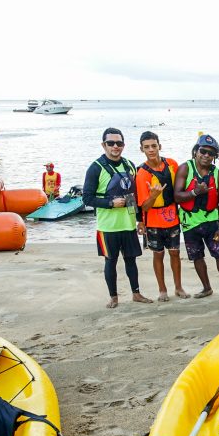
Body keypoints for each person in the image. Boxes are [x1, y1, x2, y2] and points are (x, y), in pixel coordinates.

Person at [82, 127, 153, 308]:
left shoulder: (129, 165)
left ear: (123, 145)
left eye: (119, 143)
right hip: (108, 227)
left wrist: (140, 220)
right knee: (110, 261)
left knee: (131, 260)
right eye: (111, 143)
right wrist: (111, 203)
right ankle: (113, 297)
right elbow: (87, 198)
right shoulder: (96, 168)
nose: (115, 146)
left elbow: (133, 196)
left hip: (128, 224)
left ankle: (136, 293)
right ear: (103, 145)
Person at [173, 134, 219, 299]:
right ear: (196, 151)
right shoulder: (185, 168)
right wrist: (195, 192)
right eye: (203, 151)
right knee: (197, 256)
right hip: (190, 222)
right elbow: (177, 196)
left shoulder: (218, 174)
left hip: (211, 221)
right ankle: (207, 288)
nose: (206, 155)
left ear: (214, 157)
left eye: (211, 153)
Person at [136, 131, 186, 302]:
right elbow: (144, 205)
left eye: (154, 146)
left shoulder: (171, 164)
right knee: (158, 255)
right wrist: (154, 195)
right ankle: (162, 290)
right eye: (147, 147)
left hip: (172, 218)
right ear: (142, 149)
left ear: (159, 146)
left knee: (175, 253)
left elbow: (180, 191)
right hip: (154, 222)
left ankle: (178, 288)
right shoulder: (142, 173)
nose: (151, 150)